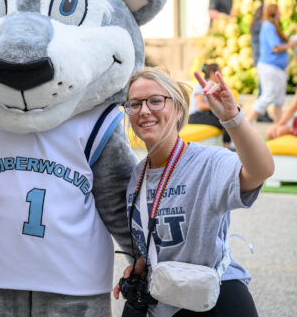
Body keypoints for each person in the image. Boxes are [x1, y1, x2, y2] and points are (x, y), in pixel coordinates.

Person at [113, 67, 273, 316]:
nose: (144, 110)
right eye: (135, 104)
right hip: (163, 299)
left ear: (178, 108)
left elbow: (261, 170)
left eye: (156, 101)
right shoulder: (137, 176)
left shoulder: (208, 162)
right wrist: (143, 263)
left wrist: (232, 118)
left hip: (214, 297)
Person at [247, 3, 297, 123]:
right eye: (278, 11)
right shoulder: (269, 26)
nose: (280, 13)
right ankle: (245, 123)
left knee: (279, 101)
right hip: (270, 68)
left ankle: (277, 127)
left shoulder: (273, 26)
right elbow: (275, 47)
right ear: (274, 13)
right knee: (267, 96)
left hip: (278, 69)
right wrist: (290, 45)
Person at [188, 63, 231, 147]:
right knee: (225, 121)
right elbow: (200, 106)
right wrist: (219, 106)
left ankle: (227, 145)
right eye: (220, 72)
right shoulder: (200, 86)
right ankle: (226, 147)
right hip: (195, 116)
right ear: (212, 73)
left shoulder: (214, 86)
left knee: (227, 118)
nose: (221, 75)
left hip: (204, 114)